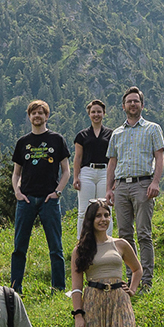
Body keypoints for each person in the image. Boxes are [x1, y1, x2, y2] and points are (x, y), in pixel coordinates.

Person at [109, 88, 164, 291]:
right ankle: (129, 278)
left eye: (136, 101)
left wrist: (155, 182)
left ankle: (146, 281)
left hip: (143, 184)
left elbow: (160, 157)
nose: (133, 104)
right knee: (124, 235)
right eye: (129, 101)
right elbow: (112, 162)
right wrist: (110, 189)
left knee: (144, 233)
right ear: (123, 106)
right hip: (121, 186)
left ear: (142, 105)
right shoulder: (116, 133)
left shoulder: (153, 128)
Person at [8, 100, 70, 293]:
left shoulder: (57, 139)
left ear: (46, 116)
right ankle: (15, 288)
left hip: (48, 201)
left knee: (56, 248)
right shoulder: (22, 142)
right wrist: (17, 192)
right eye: (33, 113)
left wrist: (57, 192)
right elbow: (16, 173)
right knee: (19, 247)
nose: (37, 116)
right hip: (26, 200)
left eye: (40, 113)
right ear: (29, 117)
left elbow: (67, 171)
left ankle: (58, 287)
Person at [67, 99, 113, 243]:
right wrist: (76, 177)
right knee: (84, 210)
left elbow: (113, 158)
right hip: (87, 172)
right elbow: (78, 157)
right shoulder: (82, 135)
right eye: (93, 112)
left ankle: (106, 241)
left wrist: (114, 179)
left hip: (105, 172)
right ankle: (82, 241)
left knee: (105, 209)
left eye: (99, 111)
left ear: (104, 113)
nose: (96, 114)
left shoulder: (111, 134)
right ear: (89, 114)